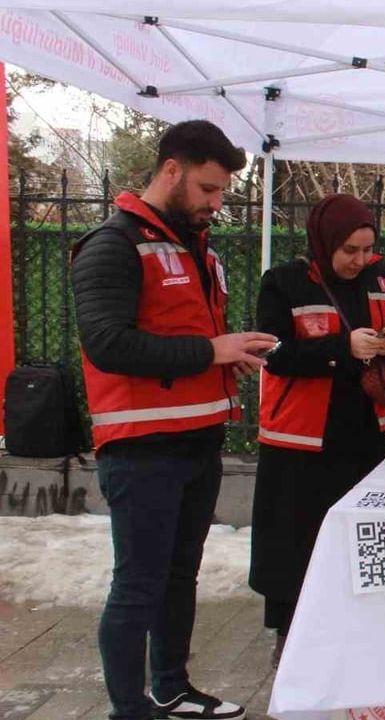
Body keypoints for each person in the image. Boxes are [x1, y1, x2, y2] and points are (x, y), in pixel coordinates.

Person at [70, 120, 274, 720]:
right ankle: (128, 709)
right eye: (209, 189)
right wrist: (212, 351)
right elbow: (108, 344)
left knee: (179, 577)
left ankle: (171, 687)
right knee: (138, 586)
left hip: (195, 440)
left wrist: (224, 360)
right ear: (170, 170)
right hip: (141, 447)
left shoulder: (194, 245)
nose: (216, 203)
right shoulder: (112, 244)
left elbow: (181, 338)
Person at [249, 194, 385, 663]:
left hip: (363, 432)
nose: (359, 260)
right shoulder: (283, 282)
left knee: (362, 535)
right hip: (300, 440)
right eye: (350, 251)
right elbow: (274, 353)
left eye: (366, 249)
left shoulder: (378, 281)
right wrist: (344, 346)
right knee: (294, 541)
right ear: (324, 242)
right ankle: (292, 640)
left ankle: (363, 630)